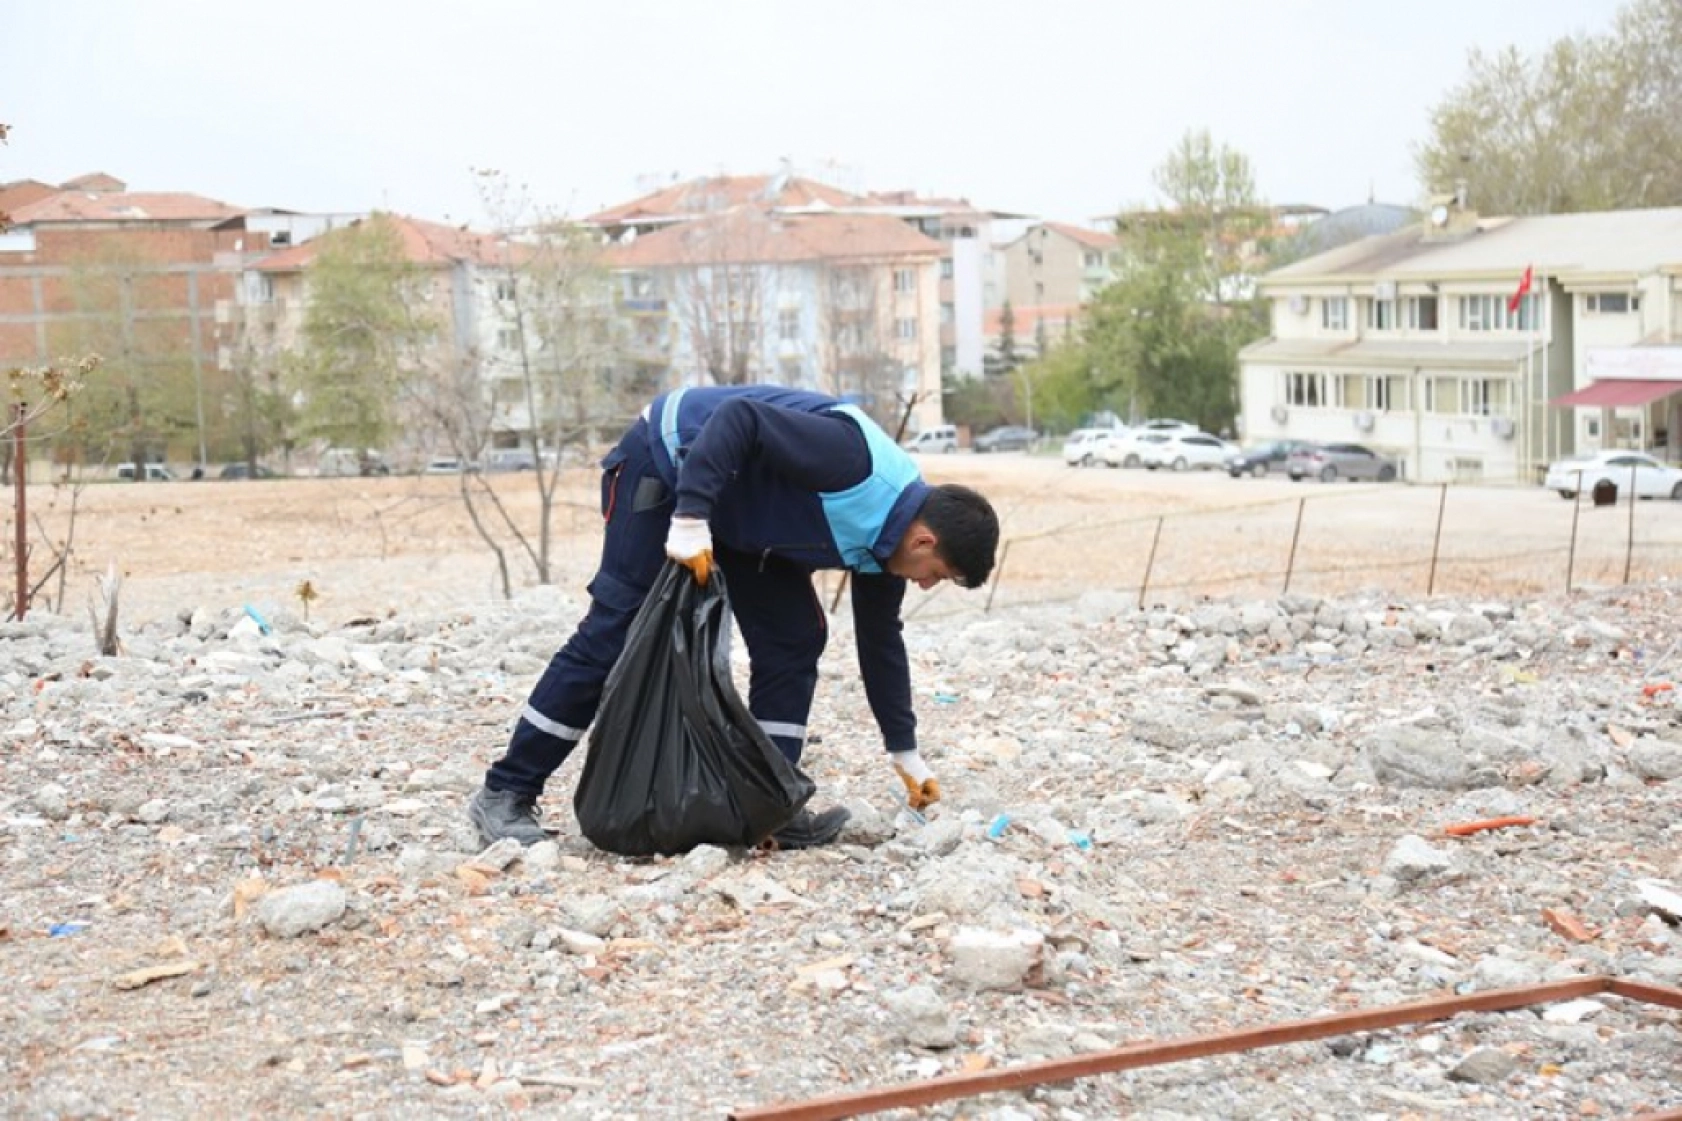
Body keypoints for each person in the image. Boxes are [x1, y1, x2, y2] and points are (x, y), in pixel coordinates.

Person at [469, 384, 999, 850]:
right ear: (925, 539)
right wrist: (691, 516)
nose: (926, 583)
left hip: (738, 513)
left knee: (794, 641)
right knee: (617, 630)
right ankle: (506, 793)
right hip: (668, 461)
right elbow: (740, 418)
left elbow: (881, 644)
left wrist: (904, 751)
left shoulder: (891, 545)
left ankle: (772, 808)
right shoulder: (852, 463)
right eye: (938, 573)